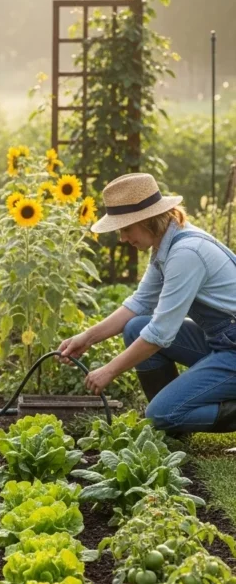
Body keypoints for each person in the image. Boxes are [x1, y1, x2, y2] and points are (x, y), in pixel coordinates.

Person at [58, 172, 236, 434]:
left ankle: (171, 415)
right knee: (136, 327)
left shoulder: (186, 253)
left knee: (161, 414)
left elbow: (161, 333)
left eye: (126, 228)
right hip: (222, 342)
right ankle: (176, 426)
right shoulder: (167, 244)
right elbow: (139, 304)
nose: (122, 238)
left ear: (147, 220)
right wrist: (86, 338)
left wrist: (110, 370)